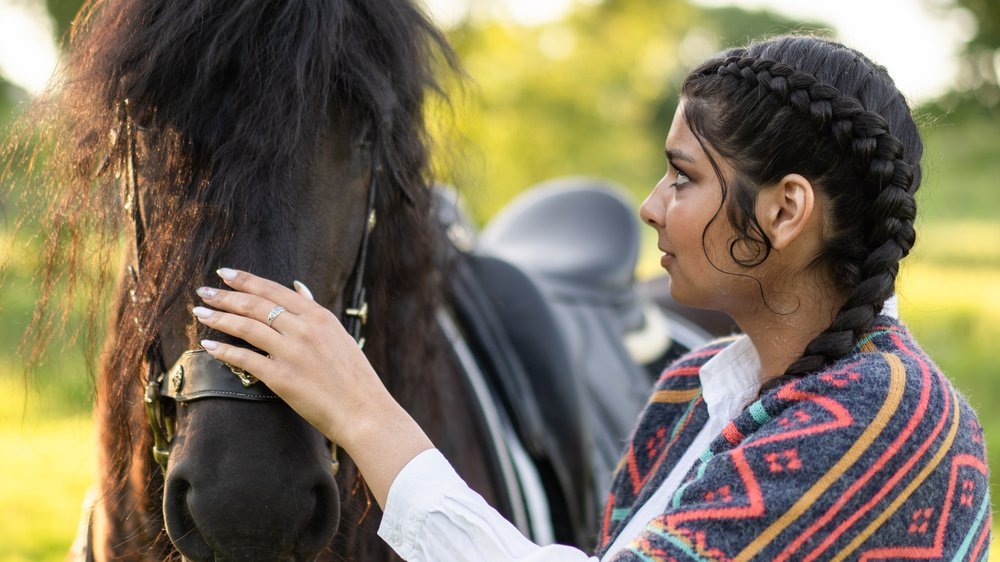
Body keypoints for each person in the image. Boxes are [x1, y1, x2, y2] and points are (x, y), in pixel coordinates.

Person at [188, 35, 991, 560]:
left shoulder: (890, 424)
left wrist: (362, 409)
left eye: (683, 177)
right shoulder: (689, 389)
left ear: (785, 211)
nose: (649, 205)